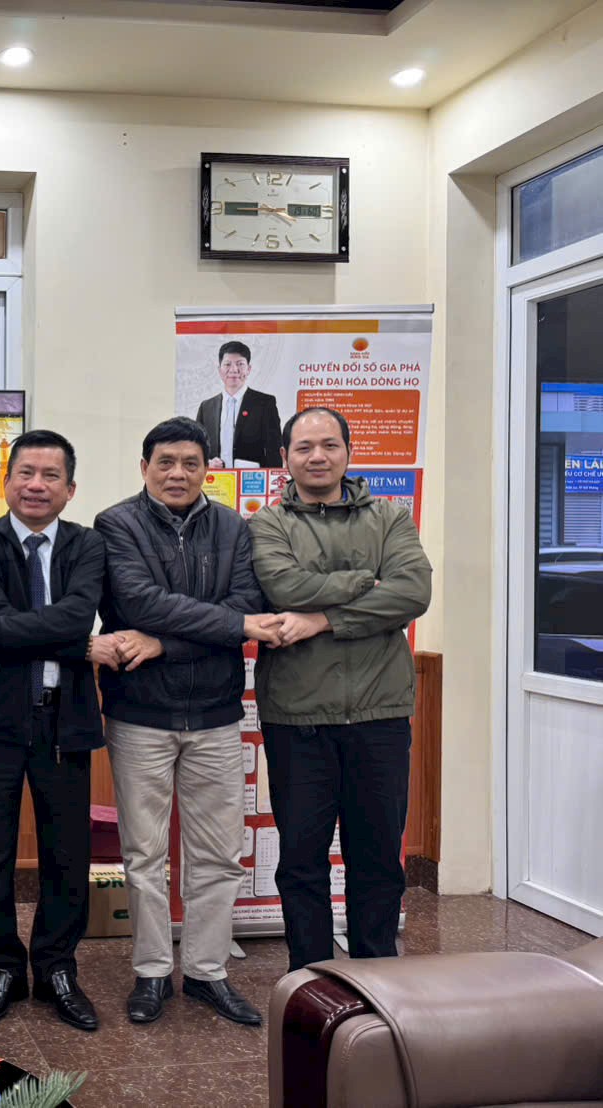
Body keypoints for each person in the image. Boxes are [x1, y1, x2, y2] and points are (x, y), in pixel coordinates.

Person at [91, 416, 280, 1027]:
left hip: (217, 716)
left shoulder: (233, 527)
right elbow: (140, 601)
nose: (178, 473)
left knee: (219, 854)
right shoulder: (116, 524)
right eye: (166, 462)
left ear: (207, 470)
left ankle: (205, 972)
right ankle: (151, 971)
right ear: (144, 467)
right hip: (140, 715)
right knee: (144, 854)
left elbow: (248, 606)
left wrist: (164, 643)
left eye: (190, 463)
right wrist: (226, 627)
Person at [248, 407, 432, 971]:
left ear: (349, 452)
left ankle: (378, 977)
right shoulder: (267, 524)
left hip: (380, 716)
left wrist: (322, 619)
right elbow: (283, 585)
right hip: (297, 719)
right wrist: (363, 584)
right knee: (301, 860)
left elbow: (412, 593)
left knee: (376, 859)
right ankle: (309, 977)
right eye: (304, 448)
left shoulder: (390, 518)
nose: (318, 457)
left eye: (329, 445)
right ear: (285, 458)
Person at [0, 430, 106, 1032]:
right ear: (7, 481)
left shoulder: (87, 544)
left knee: (68, 853)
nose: (36, 485)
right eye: (25, 474)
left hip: (65, 721)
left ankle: (58, 969)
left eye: (50, 475)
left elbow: (76, 614)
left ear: (70, 488)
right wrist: (74, 642)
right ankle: (2, 972)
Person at [195, 340, 283, 469]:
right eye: (227, 364)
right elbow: (197, 447)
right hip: (215, 479)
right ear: (219, 370)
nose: (233, 370)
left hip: (253, 479)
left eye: (240, 364)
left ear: (248, 369)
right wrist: (207, 463)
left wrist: (273, 479)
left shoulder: (264, 403)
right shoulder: (206, 407)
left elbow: (274, 450)